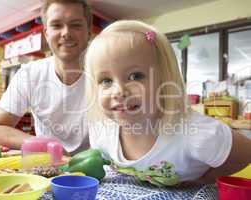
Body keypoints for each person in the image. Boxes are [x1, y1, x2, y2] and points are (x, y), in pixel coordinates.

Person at [84, 20, 251, 185]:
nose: (119, 91)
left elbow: (245, 152)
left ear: (165, 80)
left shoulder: (194, 133)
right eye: (106, 80)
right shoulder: (102, 133)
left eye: (136, 76)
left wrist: (204, 179)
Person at [0, 0, 92, 153]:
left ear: (88, 32)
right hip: (47, 163)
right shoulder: (29, 74)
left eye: (76, 25)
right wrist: (46, 146)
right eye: (56, 25)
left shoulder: (109, 73)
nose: (66, 32)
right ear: (46, 34)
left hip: (97, 168)